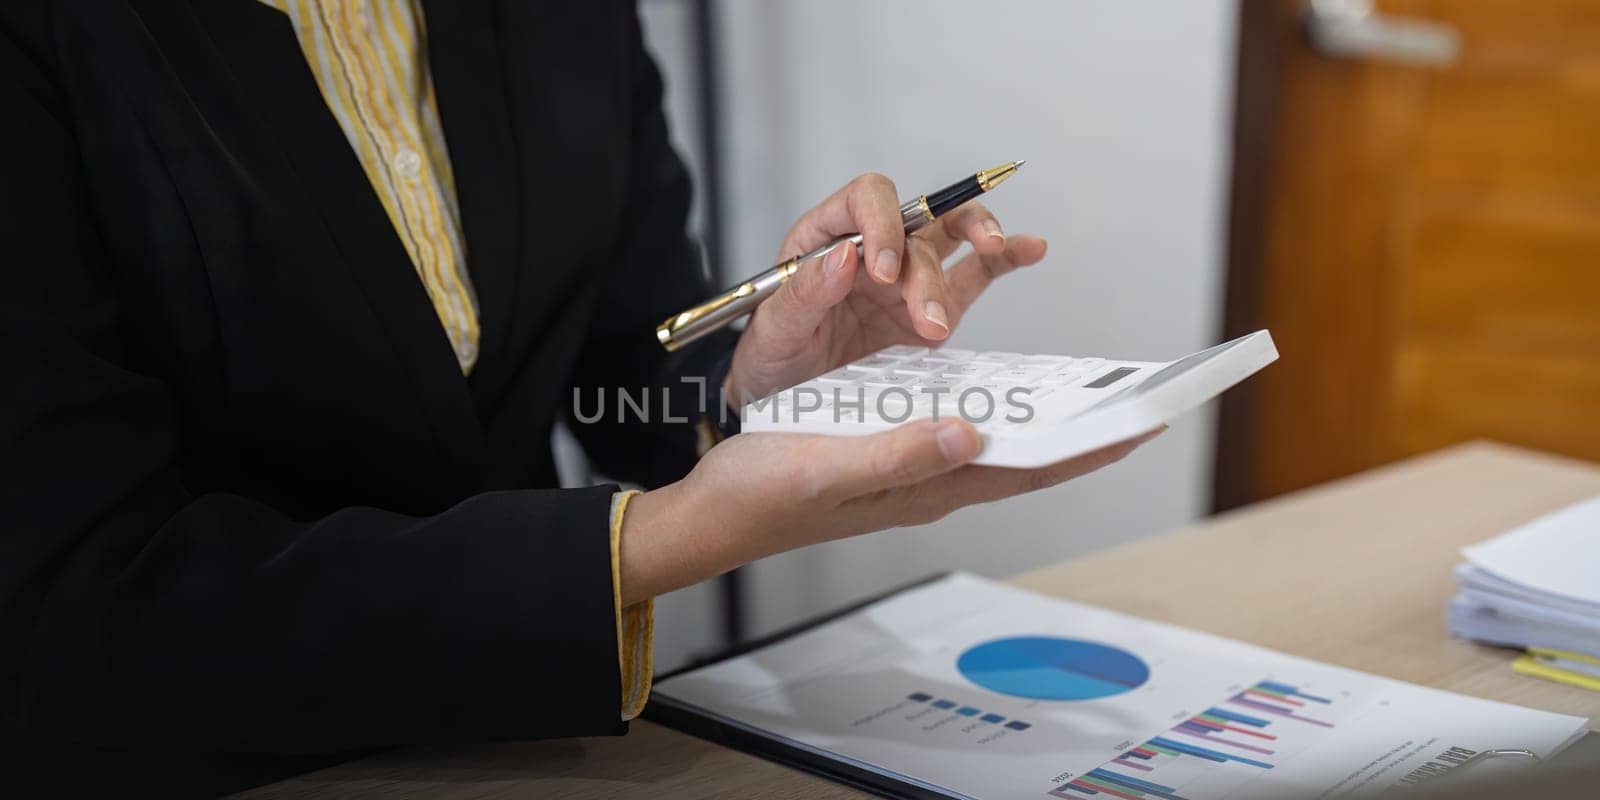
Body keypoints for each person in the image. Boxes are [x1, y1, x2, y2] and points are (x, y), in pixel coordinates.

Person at [0, 1, 1155, 795]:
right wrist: (648, 542)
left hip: (517, 755)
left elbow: (617, 355)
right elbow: (79, 624)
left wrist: (758, 375)